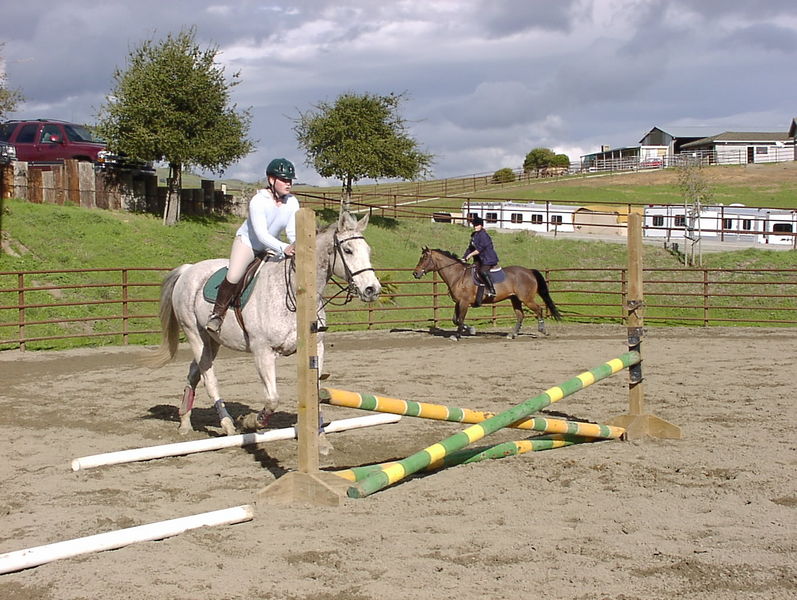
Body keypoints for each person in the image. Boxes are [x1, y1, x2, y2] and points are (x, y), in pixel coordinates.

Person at [206, 158, 300, 334]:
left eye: (290, 180)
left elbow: (292, 231)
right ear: (271, 180)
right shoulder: (258, 200)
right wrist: (284, 247)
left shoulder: (292, 202)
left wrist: (296, 245)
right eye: (284, 179)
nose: (288, 183)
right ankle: (217, 314)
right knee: (234, 275)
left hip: (272, 246)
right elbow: (261, 234)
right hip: (248, 244)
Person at [463, 215, 499, 298]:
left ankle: (492, 290)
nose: (475, 227)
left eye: (477, 225)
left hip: (488, 259)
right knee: (471, 270)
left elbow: (479, 249)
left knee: (483, 271)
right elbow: (470, 248)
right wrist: (464, 258)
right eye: (474, 225)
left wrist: (470, 255)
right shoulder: (474, 235)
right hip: (480, 259)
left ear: (481, 225)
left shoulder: (484, 235)